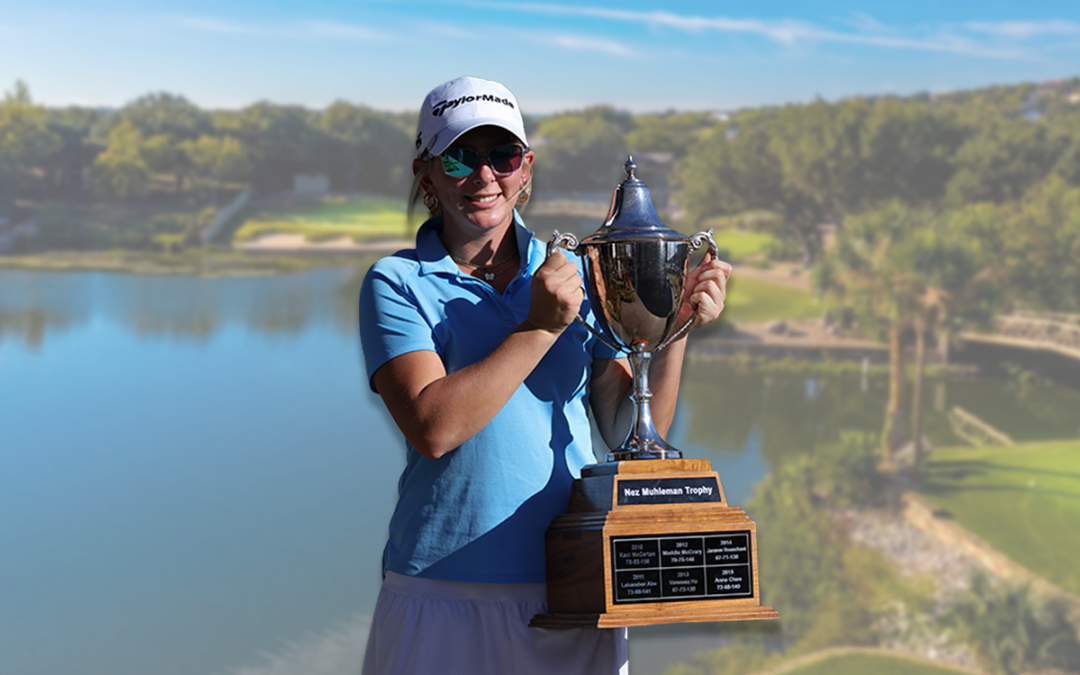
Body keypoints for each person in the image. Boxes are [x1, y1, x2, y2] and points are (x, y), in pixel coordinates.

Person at [357, 76, 731, 675]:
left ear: (525, 167)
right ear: (426, 174)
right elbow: (433, 427)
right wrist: (540, 327)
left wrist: (672, 325)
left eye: (503, 156)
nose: (485, 176)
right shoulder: (397, 282)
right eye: (459, 157)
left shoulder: (574, 271)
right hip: (442, 587)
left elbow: (629, 432)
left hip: (574, 588)